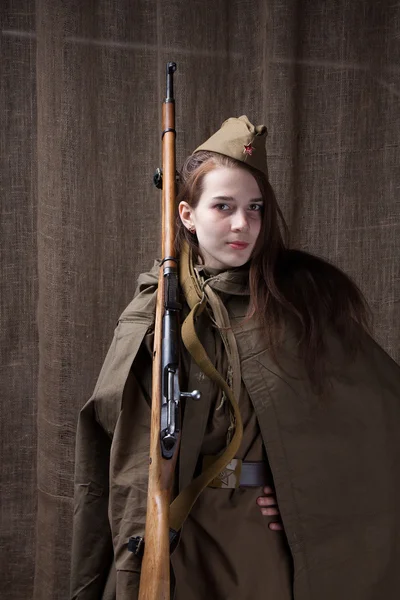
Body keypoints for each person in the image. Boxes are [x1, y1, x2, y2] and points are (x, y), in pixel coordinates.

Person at [70, 116, 400, 600]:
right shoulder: (152, 310)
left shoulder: (300, 306)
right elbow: (117, 451)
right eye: (223, 207)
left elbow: (378, 419)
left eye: (255, 208)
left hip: (257, 542)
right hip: (172, 532)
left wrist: (311, 492)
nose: (243, 224)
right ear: (187, 214)